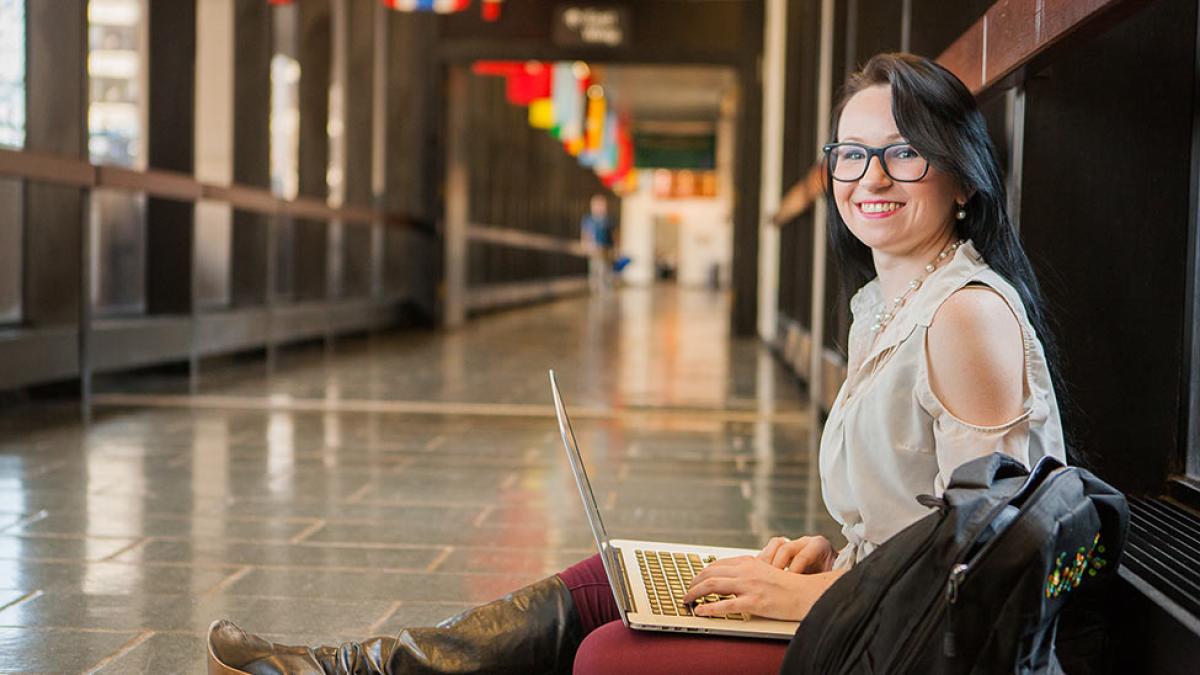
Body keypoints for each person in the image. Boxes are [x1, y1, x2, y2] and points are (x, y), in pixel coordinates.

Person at [206, 52, 1069, 675]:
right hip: (868, 605)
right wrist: (832, 555)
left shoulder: (966, 314)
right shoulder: (889, 304)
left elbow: (994, 571)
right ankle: (348, 669)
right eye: (851, 153)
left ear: (963, 178)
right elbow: (928, 520)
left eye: (903, 151)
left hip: (912, 652)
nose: (869, 176)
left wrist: (813, 599)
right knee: (610, 578)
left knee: (611, 655)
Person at [581, 194, 617, 292]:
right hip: (594, 249)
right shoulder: (588, 220)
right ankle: (595, 288)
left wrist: (616, 248)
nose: (599, 208)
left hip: (607, 249)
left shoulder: (609, 220)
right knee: (595, 268)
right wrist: (585, 245)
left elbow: (614, 235)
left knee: (605, 269)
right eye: (597, 205)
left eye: (601, 205)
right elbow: (585, 233)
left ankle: (605, 289)